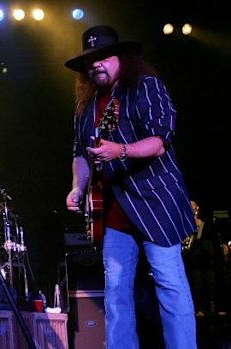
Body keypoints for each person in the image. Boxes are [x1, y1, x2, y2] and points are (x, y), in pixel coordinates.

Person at [64, 25, 197, 348]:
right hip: (114, 213)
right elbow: (81, 154)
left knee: (169, 284)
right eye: (89, 60)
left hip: (155, 203)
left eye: (103, 56)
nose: (96, 64)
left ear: (121, 57)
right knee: (116, 292)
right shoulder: (87, 107)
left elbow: (159, 142)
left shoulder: (145, 87)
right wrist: (77, 189)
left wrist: (120, 150)